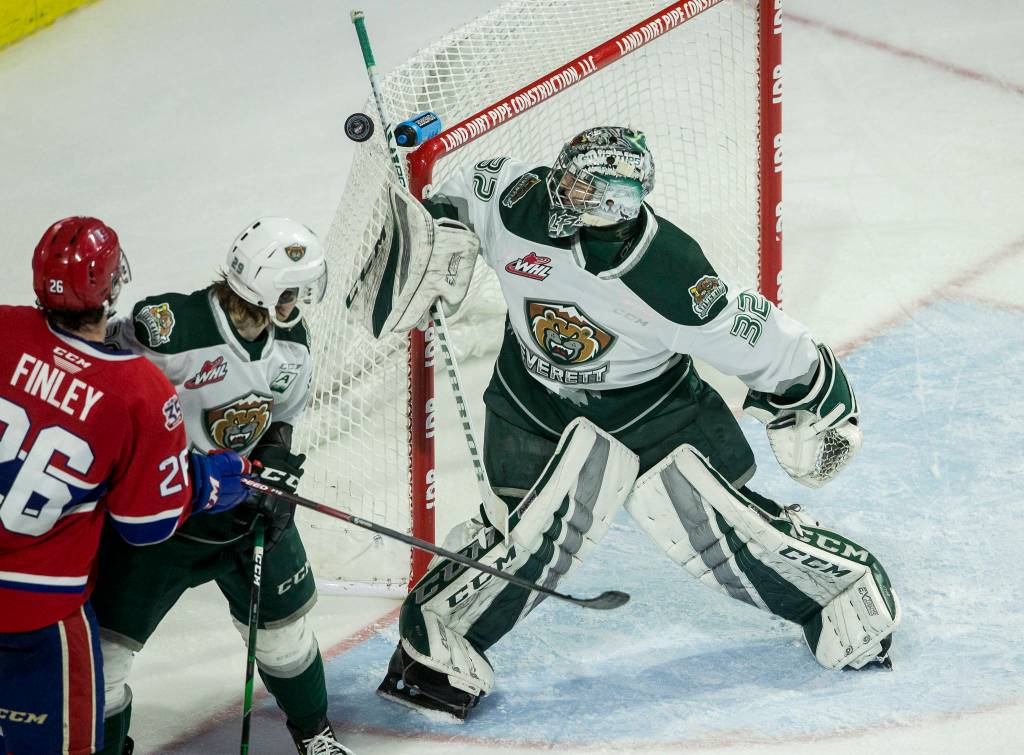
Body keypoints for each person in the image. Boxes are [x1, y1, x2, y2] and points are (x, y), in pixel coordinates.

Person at [361, 126, 901, 720]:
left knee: (717, 533)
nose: (564, 195)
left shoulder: (669, 274)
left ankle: (844, 590)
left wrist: (819, 400)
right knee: (520, 536)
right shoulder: (518, 200)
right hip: (531, 397)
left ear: (621, 201)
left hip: (651, 412)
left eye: (585, 190)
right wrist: (442, 233)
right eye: (565, 177)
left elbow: (759, 338)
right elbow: (464, 195)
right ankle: (433, 650)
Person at [89, 217, 352, 755]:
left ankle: (314, 733)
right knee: (103, 660)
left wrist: (276, 463)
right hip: (164, 517)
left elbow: (278, 415)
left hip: (245, 510)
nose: (300, 300)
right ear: (262, 286)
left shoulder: (293, 340)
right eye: (292, 288)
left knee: (286, 641)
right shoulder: (168, 329)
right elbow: (102, 388)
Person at [0, 217, 252, 755]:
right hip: (39, 619)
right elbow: (145, 525)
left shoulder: (3, 327)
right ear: (112, 287)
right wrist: (206, 481)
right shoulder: (137, 388)